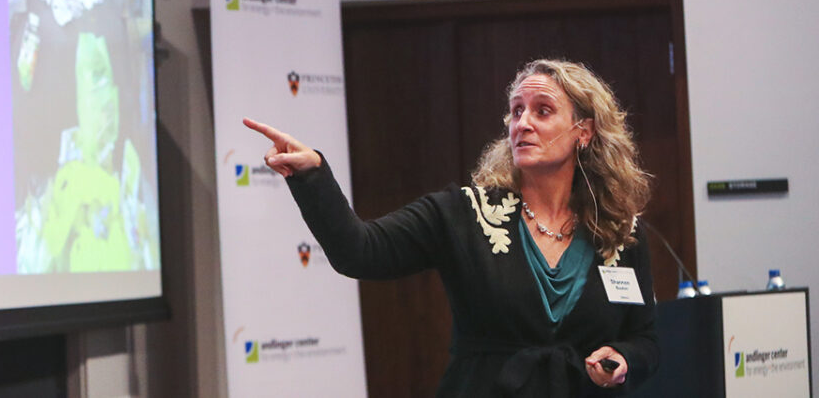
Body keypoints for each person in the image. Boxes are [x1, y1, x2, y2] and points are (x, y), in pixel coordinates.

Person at [245, 59, 658, 397]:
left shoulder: (619, 233)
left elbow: (646, 341)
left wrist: (623, 359)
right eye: (516, 111)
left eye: (542, 111)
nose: (522, 123)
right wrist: (313, 176)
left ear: (583, 132)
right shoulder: (462, 213)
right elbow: (359, 250)